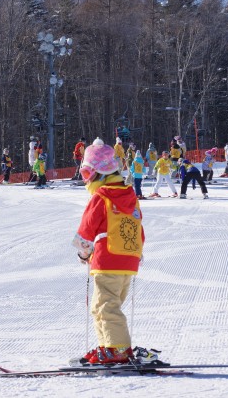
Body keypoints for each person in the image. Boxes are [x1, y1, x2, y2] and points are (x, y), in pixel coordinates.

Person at [71, 138, 146, 364]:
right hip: (128, 261)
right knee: (101, 306)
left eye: (87, 174)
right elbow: (138, 228)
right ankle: (107, 346)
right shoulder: (130, 197)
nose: (86, 181)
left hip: (108, 260)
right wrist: (136, 253)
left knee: (107, 307)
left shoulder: (101, 197)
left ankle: (119, 349)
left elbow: (86, 230)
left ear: (99, 174)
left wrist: (84, 252)